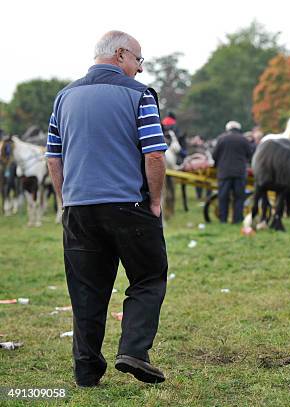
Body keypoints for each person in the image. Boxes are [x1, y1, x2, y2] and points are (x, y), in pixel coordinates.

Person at [46, 30, 168, 386]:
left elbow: (54, 156)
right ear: (120, 54)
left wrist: (65, 199)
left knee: (86, 291)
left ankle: (86, 371)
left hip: (79, 209)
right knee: (148, 278)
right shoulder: (138, 95)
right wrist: (156, 201)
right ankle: (133, 349)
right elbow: (155, 153)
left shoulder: (64, 96)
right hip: (128, 205)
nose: (140, 69)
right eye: (139, 60)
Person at [212, 121, 252, 224]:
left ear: (228, 128)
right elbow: (250, 154)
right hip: (239, 173)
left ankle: (223, 219)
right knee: (239, 197)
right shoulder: (244, 139)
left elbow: (214, 155)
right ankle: (237, 219)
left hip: (224, 173)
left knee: (223, 197)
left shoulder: (221, 138)